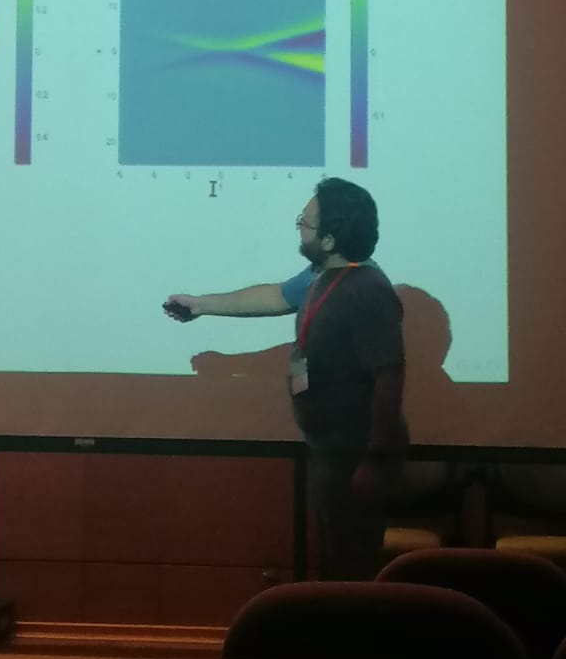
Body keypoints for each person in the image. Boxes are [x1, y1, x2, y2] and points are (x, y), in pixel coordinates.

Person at [164, 176, 407, 579]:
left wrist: (376, 460)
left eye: (305, 222)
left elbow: (389, 376)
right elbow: (273, 296)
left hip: (353, 455)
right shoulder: (321, 275)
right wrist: (201, 305)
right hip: (329, 449)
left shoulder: (366, 289)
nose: (298, 226)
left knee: (352, 569)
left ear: (329, 239)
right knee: (336, 561)